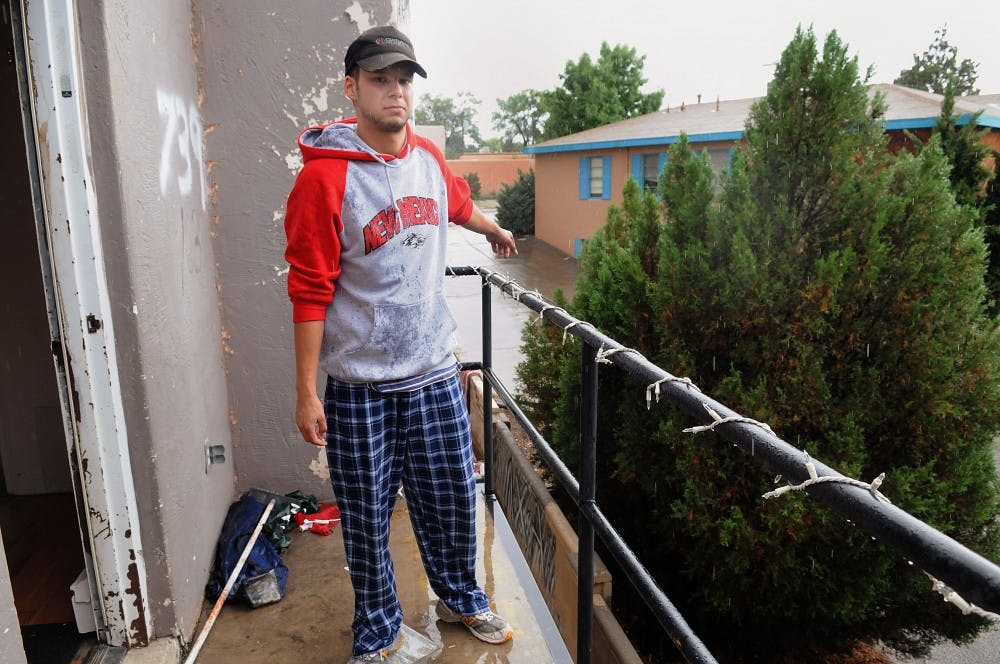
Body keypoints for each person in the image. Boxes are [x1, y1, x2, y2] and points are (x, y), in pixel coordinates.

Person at [283, 25, 517, 663]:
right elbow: (308, 290)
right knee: (365, 519)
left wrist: (495, 231)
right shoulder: (324, 182)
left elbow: (458, 205)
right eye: (380, 79)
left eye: (404, 79)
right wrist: (307, 393)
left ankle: (461, 595)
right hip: (361, 385)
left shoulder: (428, 161)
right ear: (352, 86)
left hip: (435, 371)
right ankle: (379, 631)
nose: (395, 92)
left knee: (449, 499)